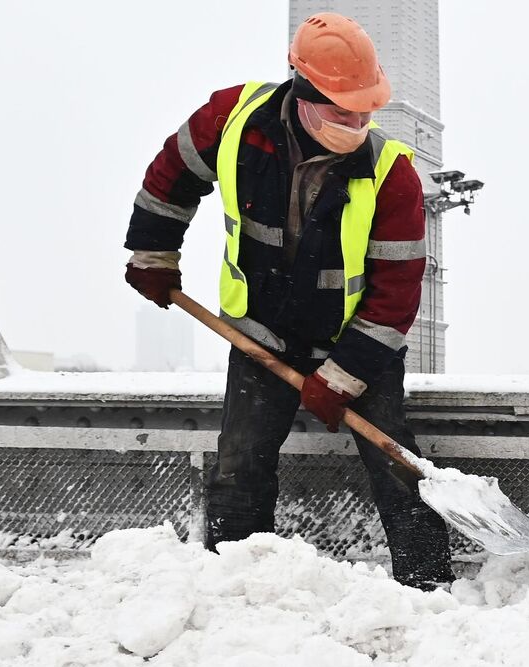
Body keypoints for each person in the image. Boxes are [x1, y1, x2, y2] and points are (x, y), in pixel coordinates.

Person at [122, 12, 450, 590]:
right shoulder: (230, 120)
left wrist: (342, 377)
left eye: (366, 111)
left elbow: (397, 292)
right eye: (344, 112)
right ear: (304, 94)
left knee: (397, 465)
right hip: (261, 337)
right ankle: (234, 582)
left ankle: (427, 585)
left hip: (358, 346)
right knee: (239, 463)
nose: (358, 124)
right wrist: (153, 253)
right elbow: (171, 176)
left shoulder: (391, 174)